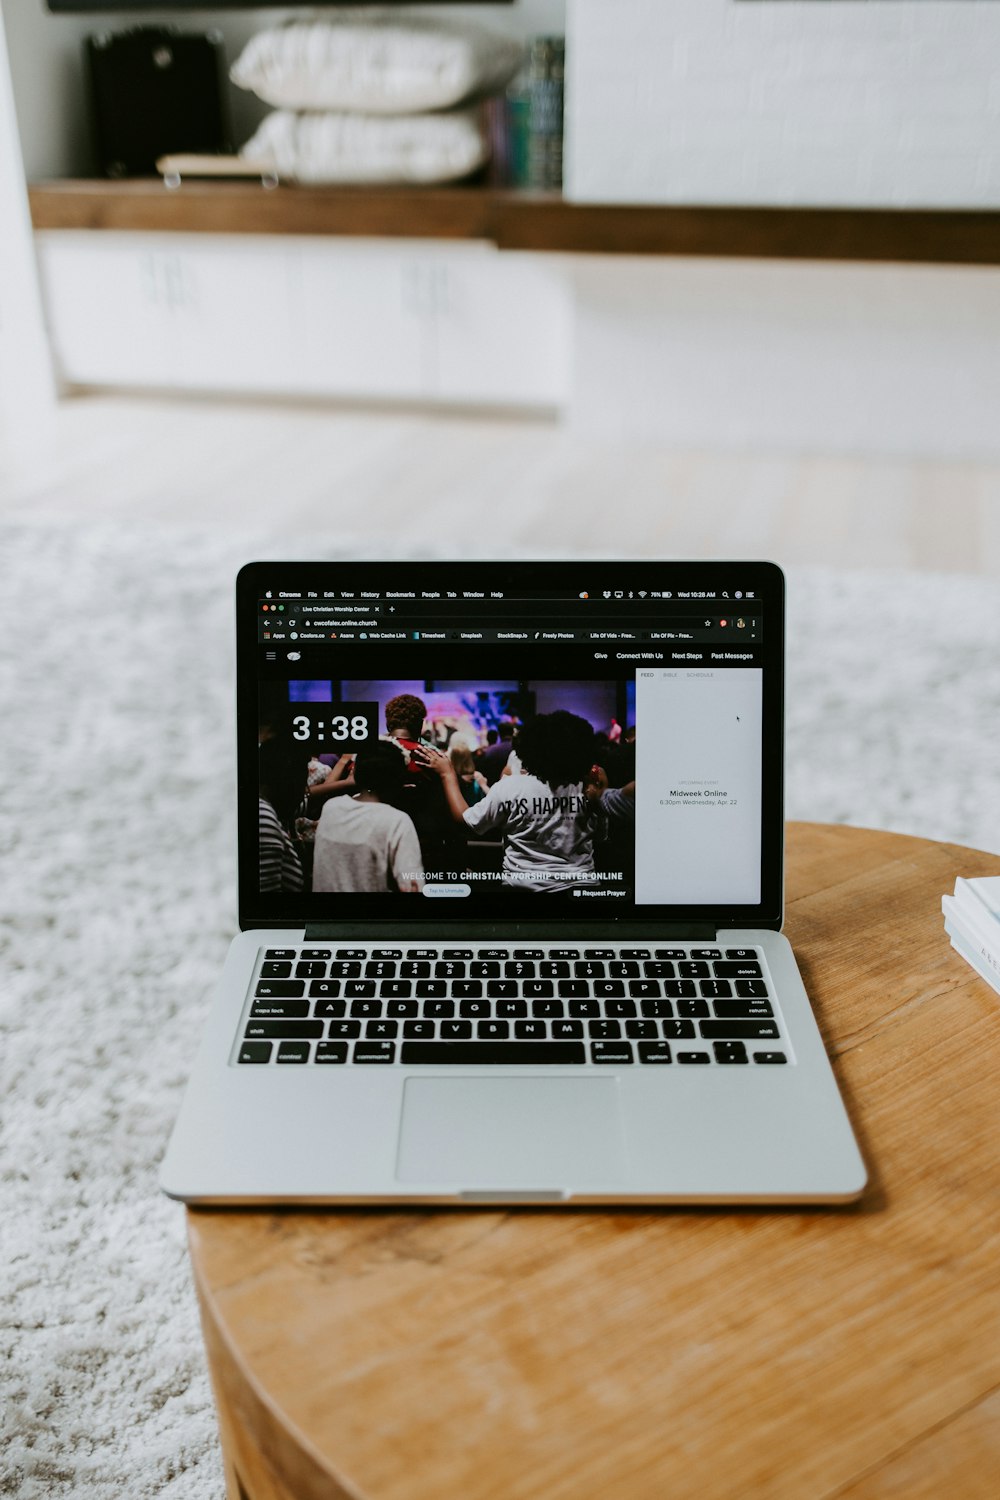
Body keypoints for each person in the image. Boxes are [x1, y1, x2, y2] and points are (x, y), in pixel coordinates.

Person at [415, 711, 607, 894]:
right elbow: (600, 837)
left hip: (522, 892)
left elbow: (465, 823)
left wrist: (447, 774)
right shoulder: (589, 788)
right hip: (583, 889)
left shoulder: (511, 787)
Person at [312, 740, 423, 893]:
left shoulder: (331, 808)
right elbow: (413, 886)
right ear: (398, 780)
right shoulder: (396, 821)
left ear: (356, 773)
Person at [259, 736, 311, 892]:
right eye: (304, 784)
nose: (305, 793)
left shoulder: (269, 809)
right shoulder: (264, 819)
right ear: (290, 783)